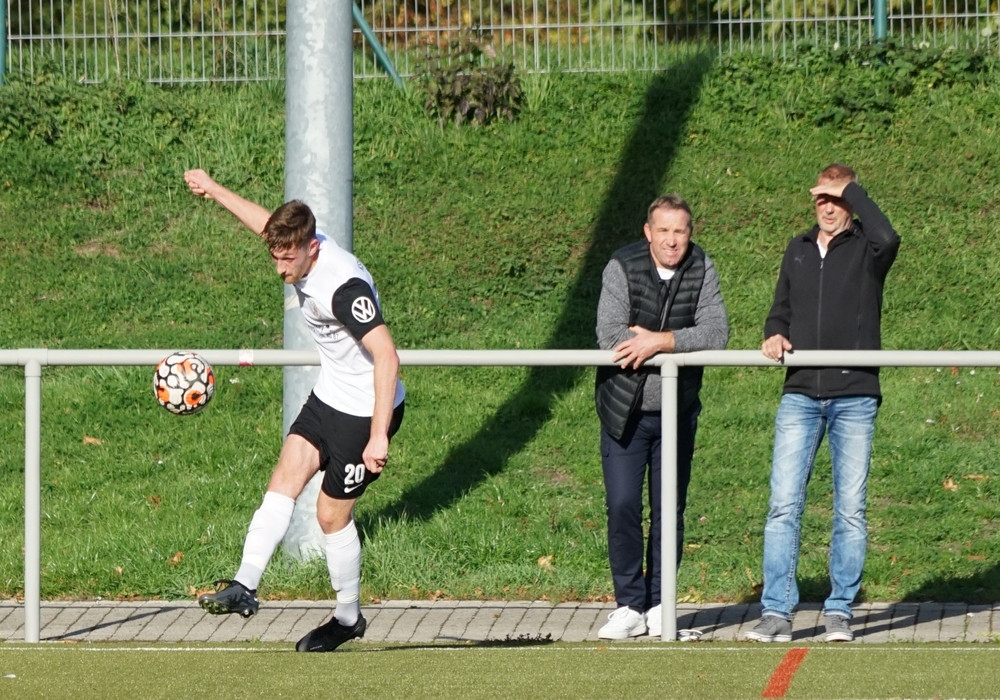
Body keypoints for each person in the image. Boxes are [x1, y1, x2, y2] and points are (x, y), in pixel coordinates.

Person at [184, 169, 405, 652]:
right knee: (284, 478)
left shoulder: (343, 288)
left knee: (330, 517)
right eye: (275, 256)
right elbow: (265, 225)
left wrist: (378, 434)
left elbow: (387, 356)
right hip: (330, 396)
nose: (280, 269)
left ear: (313, 248)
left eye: (288, 258)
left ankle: (348, 618)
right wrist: (214, 189)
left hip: (366, 410)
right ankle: (244, 585)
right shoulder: (297, 246)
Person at [745, 164, 900, 643]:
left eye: (837, 198)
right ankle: (776, 612)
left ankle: (839, 611)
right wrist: (774, 333)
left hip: (854, 395)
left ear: (851, 201)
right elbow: (781, 308)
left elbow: (889, 236)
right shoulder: (797, 248)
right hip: (800, 395)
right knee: (782, 506)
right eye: (821, 199)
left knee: (849, 510)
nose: (828, 208)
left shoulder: (869, 248)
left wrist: (851, 188)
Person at [594, 194, 729, 639]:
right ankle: (629, 606)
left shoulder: (702, 267)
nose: (672, 241)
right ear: (648, 232)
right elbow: (610, 336)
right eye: (664, 231)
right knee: (623, 506)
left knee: (669, 510)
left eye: (680, 231)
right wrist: (674, 340)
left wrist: (659, 341)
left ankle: (658, 604)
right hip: (625, 412)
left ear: (690, 233)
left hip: (678, 411)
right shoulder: (622, 266)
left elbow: (717, 332)